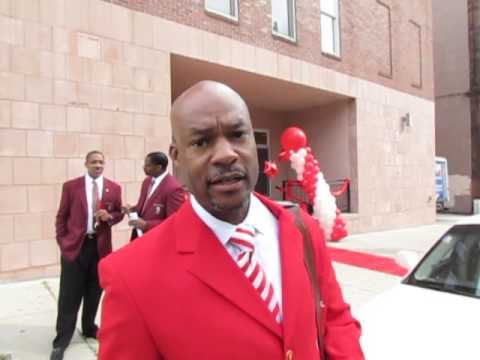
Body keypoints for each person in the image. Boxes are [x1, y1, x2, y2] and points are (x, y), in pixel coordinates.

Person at [98, 81, 364, 359]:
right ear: (177, 159)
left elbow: (336, 320)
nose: (226, 154)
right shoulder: (130, 276)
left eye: (238, 135)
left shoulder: (302, 228)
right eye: (201, 142)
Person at [50, 151, 123, 360]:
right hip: (75, 247)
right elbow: (62, 216)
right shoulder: (71, 186)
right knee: (69, 296)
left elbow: (118, 213)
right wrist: (63, 242)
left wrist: (110, 217)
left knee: (94, 292)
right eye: (93, 162)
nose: (97, 165)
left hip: (100, 249)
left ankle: (89, 327)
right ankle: (61, 340)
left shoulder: (114, 188)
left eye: (101, 162)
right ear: (86, 164)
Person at [123, 151, 185, 241]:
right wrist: (132, 210)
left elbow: (174, 221)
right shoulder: (147, 181)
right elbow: (145, 207)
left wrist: (146, 225)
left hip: (157, 240)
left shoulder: (174, 188)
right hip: (139, 238)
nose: (144, 167)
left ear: (159, 167)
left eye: (148, 165)